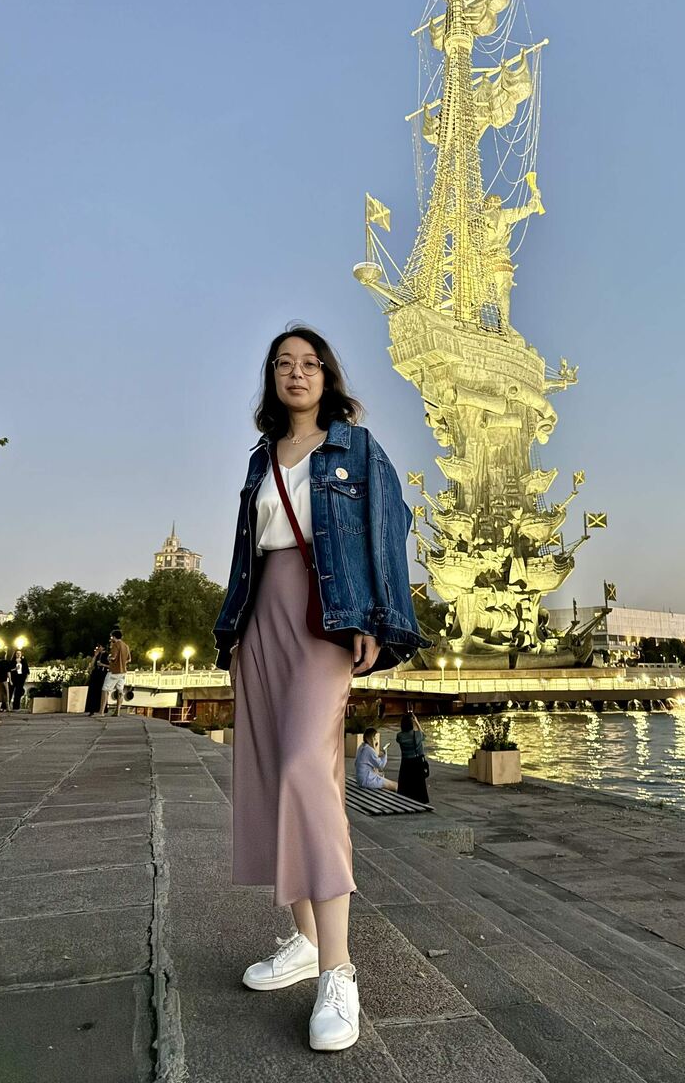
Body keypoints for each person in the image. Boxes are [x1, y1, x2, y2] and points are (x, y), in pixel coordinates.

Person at [212, 324, 430, 1053]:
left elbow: (388, 528)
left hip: (326, 613)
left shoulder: (356, 448)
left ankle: (339, 970)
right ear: (273, 379)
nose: (296, 373)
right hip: (260, 620)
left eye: (309, 363)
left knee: (309, 767)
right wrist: (233, 633)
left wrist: (376, 616)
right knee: (276, 776)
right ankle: (305, 942)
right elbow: (249, 552)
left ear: (326, 376)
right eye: (284, 363)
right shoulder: (262, 458)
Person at [396, 709, 430, 804]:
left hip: (405, 762)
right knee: (418, 784)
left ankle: (404, 801)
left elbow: (399, 739)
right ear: (411, 724)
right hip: (417, 762)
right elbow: (424, 735)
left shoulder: (399, 736)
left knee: (406, 783)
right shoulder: (417, 735)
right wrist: (416, 722)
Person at [355, 727, 398, 793]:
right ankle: (403, 798)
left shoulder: (361, 747)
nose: (376, 740)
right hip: (367, 781)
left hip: (360, 779)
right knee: (395, 785)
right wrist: (385, 753)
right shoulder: (369, 750)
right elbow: (381, 765)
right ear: (370, 739)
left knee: (380, 774)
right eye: (374, 738)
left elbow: (357, 763)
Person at [99, 628, 131, 716]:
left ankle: (101, 712)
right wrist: (122, 662)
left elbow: (113, 658)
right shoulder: (126, 646)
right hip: (123, 671)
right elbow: (129, 659)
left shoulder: (116, 645)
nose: (111, 638)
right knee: (120, 690)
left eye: (111, 637)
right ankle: (118, 711)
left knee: (105, 690)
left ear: (114, 637)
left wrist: (109, 658)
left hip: (114, 671)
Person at [85, 644, 110, 715]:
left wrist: (102, 664)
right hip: (95, 673)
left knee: (101, 691)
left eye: (99, 647)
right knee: (92, 691)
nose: (98, 648)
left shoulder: (107, 655)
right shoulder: (97, 655)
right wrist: (95, 656)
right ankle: (91, 709)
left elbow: (110, 665)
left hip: (102, 674)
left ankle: (101, 709)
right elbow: (92, 664)